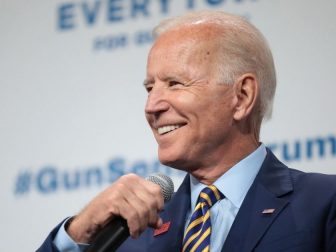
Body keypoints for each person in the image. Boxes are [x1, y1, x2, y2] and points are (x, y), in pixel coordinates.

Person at [38, 11, 336, 252]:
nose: (151, 106)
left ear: (242, 96)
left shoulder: (324, 203)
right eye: (149, 87)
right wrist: (78, 231)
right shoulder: (130, 233)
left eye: (175, 83)